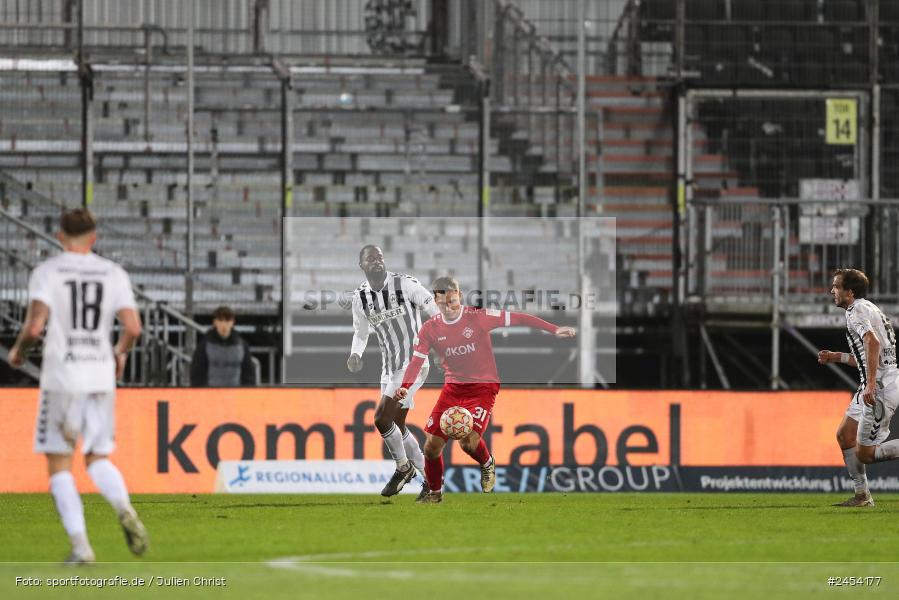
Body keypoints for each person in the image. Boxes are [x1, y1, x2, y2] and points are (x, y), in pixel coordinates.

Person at [8, 208, 149, 563]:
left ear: (60, 236)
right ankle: (124, 508)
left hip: (62, 376)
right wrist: (119, 353)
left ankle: (81, 546)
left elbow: (35, 327)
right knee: (98, 457)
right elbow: (133, 328)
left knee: (60, 464)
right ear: (94, 237)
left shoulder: (48, 272)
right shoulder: (112, 273)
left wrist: (18, 351)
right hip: (100, 374)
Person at [395, 276, 576, 503]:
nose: (448, 307)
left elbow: (518, 318)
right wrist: (405, 386)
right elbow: (417, 361)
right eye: (442, 303)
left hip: (483, 386)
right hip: (453, 388)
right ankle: (435, 494)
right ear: (435, 301)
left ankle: (487, 462)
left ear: (459, 296)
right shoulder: (430, 329)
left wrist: (554, 329)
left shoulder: (478, 317)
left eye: (452, 301)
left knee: (467, 443)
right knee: (431, 446)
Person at [348, 245, 438, 497]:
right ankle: (431, 481)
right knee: (396, 423)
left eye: (379, 257)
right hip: (389, 368)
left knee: (381, 419)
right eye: (370, 258)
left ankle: (403, 467)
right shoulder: (360, 297)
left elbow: (432, 308)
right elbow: (361, 333)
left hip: (413, 364)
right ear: (362, 265)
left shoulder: (405, 284)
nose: (376, 261)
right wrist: (355, 354)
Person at [818, 268, 899, 507]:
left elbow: (872, 342)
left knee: (866, 454)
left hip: (880, 387)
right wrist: (837, 357)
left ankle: (863, 496)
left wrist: (871, 385)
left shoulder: (856, 311)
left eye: (836, 286)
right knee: (844, 435)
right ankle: (862, 496)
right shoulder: (869, 308)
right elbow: (869, 356)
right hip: (879, 382)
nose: (832, 291)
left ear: (849, 292)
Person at [190, 305, 255, 387]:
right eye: (220, 320)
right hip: (211, 393)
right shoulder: (204, 345)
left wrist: (246, 390)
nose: (224, 324)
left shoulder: (242, 345)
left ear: (232, 322)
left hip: (235, 392)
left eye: (227, 320)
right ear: (215, 322)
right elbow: (197, 374)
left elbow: (248, 374)